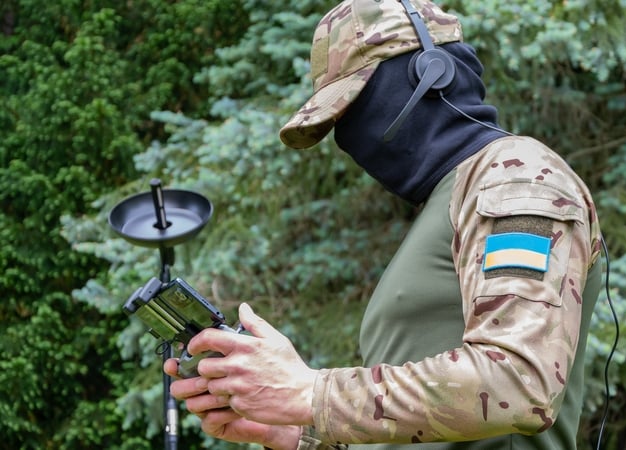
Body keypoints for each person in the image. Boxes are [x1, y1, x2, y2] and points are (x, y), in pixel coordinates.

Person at [164, 0, 603, 448]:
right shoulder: (446, 203)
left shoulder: (515, 175)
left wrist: (311, 393)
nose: (351, 138)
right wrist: (302, 433)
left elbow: (518, 383)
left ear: (432, 73)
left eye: (357, 105)